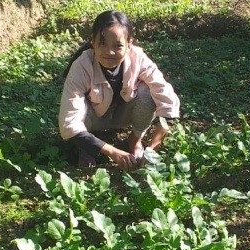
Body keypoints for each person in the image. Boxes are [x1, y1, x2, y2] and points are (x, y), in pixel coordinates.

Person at [58, 10, 180, 171]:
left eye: (118, 46)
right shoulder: (81, 66)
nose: (109, 52)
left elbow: (169, 102)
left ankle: (135, 140)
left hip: (123, 115)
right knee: (78, 109)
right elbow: (69, 124)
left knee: (147, 91)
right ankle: (86, 148)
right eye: (102, 43)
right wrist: (112, 152)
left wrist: (152, 150)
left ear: (129, 44)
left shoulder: (139, 58)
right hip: (92, 119)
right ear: (93, 42)